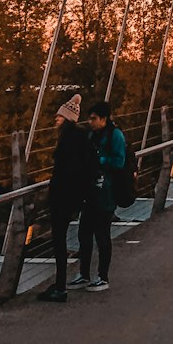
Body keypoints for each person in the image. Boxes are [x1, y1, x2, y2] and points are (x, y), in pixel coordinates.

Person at [37, 94, 96, 304]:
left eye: (59, 116)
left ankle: (60, 286)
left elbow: (64, 171)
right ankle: (60, 283)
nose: (56, 119)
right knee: (61, 239)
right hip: (75, 196)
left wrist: (54, 193)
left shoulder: (67, 140)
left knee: (59, 240)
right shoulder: (80, 138)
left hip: (62, 196)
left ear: (67, 118)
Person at [69, 101, 126, 293]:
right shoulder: (92, 134)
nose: (90, 121)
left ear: (104, 119)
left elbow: (119, 161)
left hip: (107, 193)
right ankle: (84, 274)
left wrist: (98, 159)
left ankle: (103, 277)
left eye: (93, 118)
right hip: (90, 191)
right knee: (84, 234)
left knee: (102, 235)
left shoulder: (115, 135)